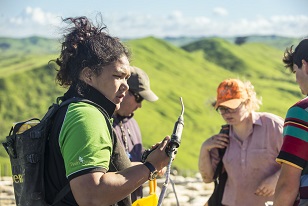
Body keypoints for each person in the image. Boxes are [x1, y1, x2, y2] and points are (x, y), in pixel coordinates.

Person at [44, 16, 171, 206]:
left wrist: (150, 164)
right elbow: (91, 195)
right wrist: (150, 166)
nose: (125, 86)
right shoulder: (86, 116)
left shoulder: (71, 108)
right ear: (88, 75)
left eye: (127, 78)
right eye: (118, 76)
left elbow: (95, 174)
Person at [198, 78, 284, 206]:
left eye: (232, 107)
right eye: (222, 109)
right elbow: (208, 178)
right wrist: (204, 148)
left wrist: (277, 179)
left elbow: (300, 160)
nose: (227, 113)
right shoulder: (223, 138)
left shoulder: (273, 125)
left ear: (247, 102)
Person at [112, 66, 159, 202]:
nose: (140, 106)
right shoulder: (102, 123)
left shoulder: (133, 124)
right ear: (123, 89)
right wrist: (150, 166)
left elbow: (134, 157)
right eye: (139, 98)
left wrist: (152, 158)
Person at [274, 38, 308, 206]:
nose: (296, 80)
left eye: (296, 71)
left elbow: (288, 185)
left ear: (305, 66)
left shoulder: (301, 112)